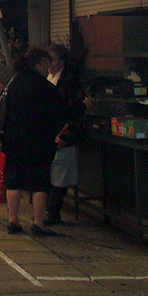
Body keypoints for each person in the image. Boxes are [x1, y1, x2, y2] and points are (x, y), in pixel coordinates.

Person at [0, 47, 69, 237]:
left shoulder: (14, 83)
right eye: (46, 62)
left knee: (13, 180)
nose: (49, 66)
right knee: (40, 182)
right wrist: (83, 106)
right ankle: (39, 223)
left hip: (14, 139)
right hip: (39, 141)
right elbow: (63, 112)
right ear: (38, 65)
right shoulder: (46, 87)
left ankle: (13, 221)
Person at [45, 44, 91, 225]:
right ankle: (48, 210)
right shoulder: (48, 79)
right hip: (49, 133)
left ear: (62, 61)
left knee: (60, 175)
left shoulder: (70, 82)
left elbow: (74, 113)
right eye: (47, 60)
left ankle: (52, 211)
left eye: (53, 60)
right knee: (51, 173)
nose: (50, 64)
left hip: (63, 135)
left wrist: (64, 135)